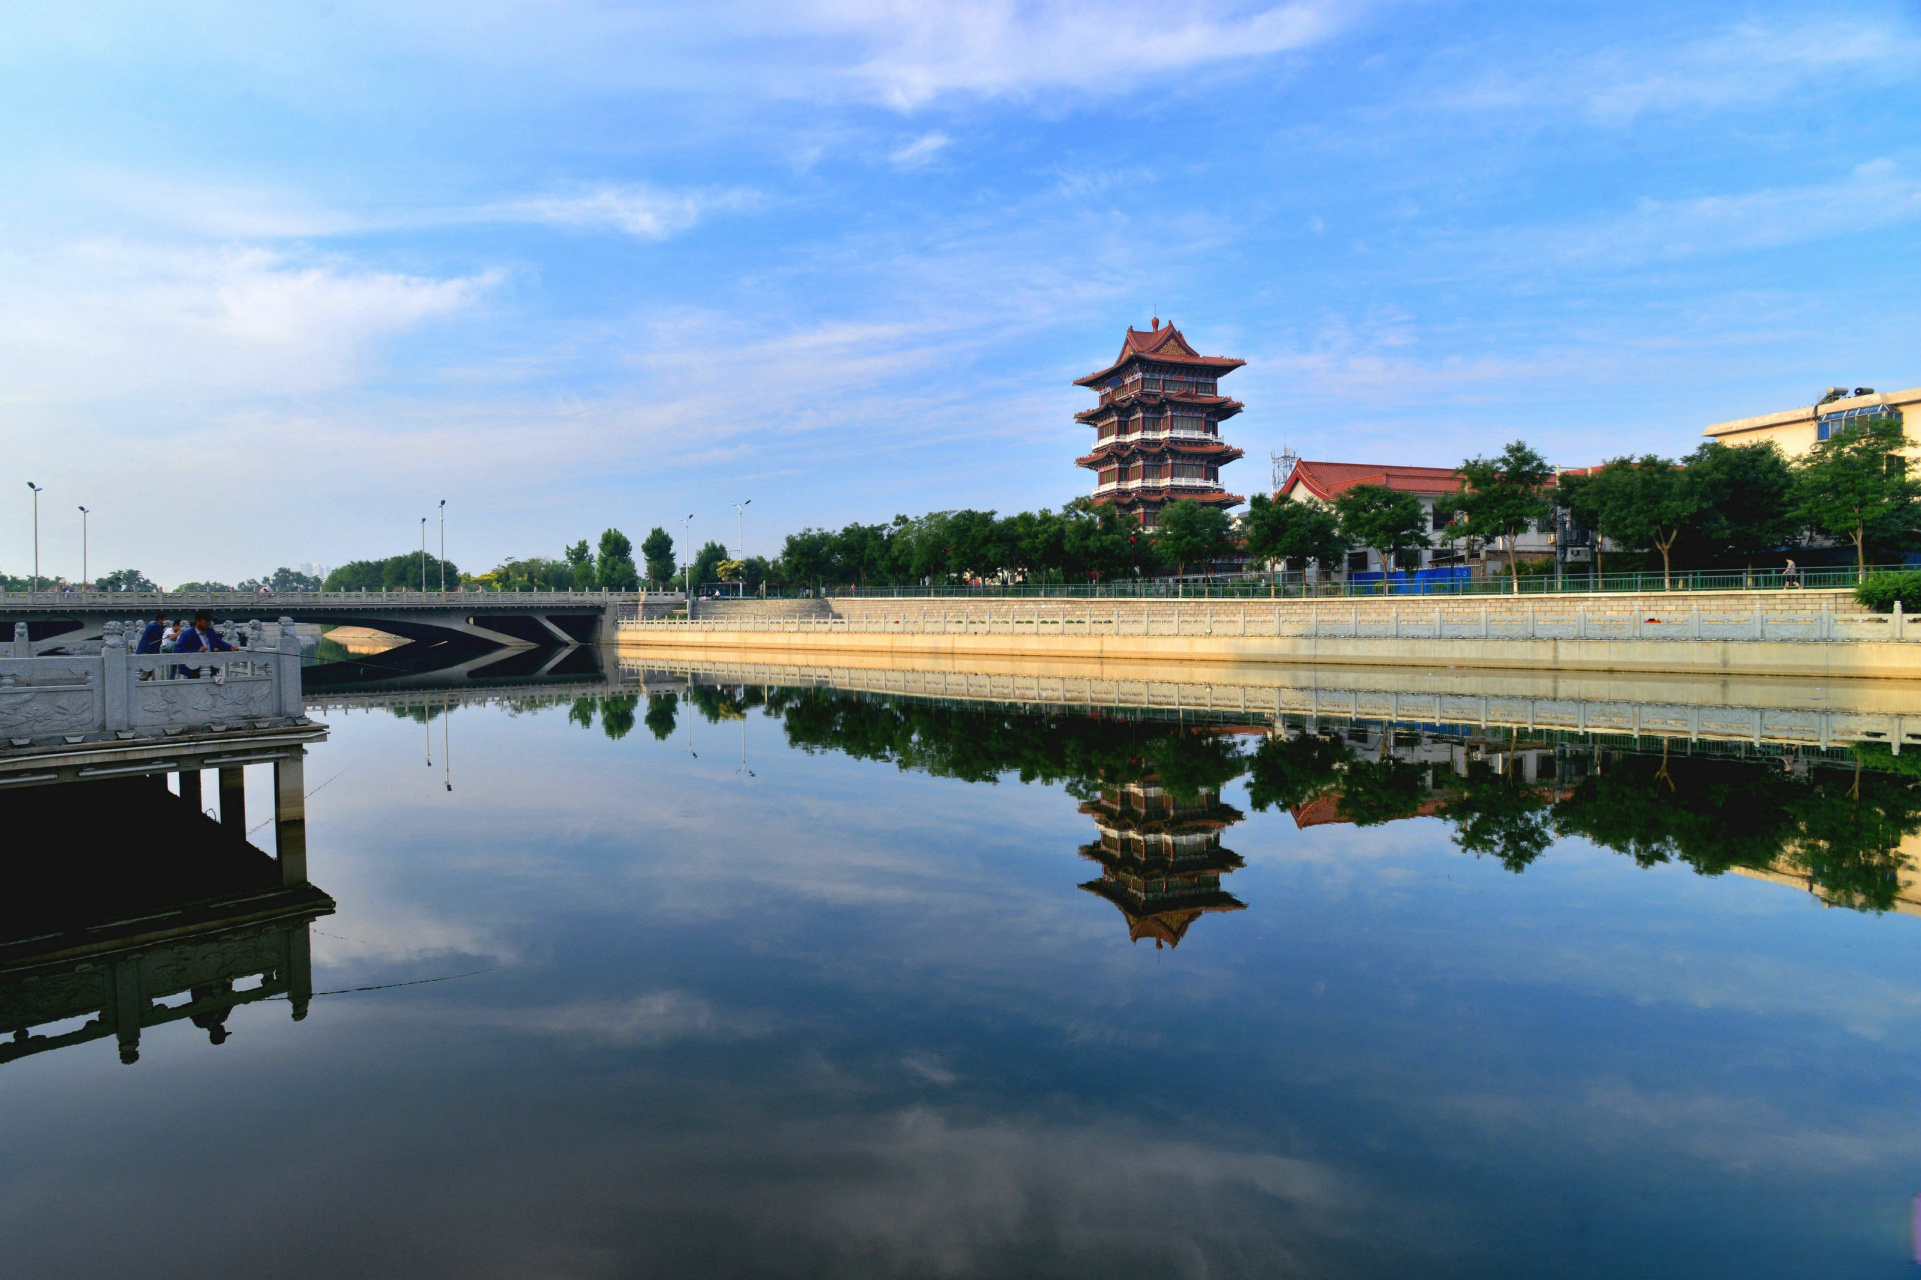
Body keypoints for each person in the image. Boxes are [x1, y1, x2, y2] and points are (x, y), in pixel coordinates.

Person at [172, 611, 233, 679]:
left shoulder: (210, 632)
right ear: (198, 621)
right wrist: (197, 651)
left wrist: (230, 647)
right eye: (207, 620)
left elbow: (220, 643)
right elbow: (179, 651)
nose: (209, 622)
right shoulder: (187, 634)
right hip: (194, 671)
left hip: (211, 668)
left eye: (210, 620)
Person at [136, 611, 169, 680]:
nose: (166, 621)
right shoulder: (154, 626)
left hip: (150, 650)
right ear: (159, 619)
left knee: (148, 670)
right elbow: (160, 635)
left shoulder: (157, 626)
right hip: (147, 649)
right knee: (145, 669)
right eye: (165, 619)